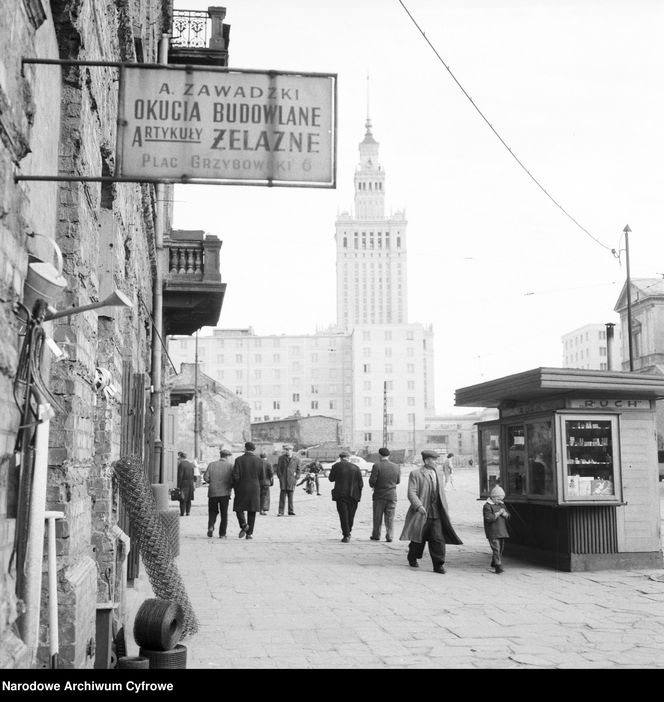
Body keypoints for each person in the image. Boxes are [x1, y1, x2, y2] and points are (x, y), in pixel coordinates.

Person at [399, 450, 463, 573]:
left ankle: (438, 565)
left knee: (437, 538)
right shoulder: (415, 474)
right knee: (418, 538)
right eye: (434, 459)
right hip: (421, 512)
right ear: (427, 460)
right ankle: (412, 557)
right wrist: (418, 506)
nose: (436, 462)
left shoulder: (438, 473)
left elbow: (441, 493)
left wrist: (445, 508)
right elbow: (411, 493)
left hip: (437, 512)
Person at [232, 441, 264, 540]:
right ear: (253, 449)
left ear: (245, 448)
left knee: (238, 508)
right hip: (255, 488)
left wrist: (236, 487)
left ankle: (243, 524)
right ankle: (249, 534)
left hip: (242, 487)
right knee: (252, 510)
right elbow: (262, 477)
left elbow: (235, 476)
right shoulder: (259, 461)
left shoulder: (239, 460)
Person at [328, 451, 363, 543]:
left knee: (343, 515)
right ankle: (348, 531)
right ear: (348, 457)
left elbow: (331, 479)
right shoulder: (356, 467)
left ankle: (346, 534)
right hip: (353, 495)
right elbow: (361, 483)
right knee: (351, 515)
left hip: (341, 495)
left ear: (340, 458)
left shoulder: (336, 466)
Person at [369, 447, 401, 542]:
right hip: (392, 495)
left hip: (379, 496)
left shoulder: (376, 466)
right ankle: (390, 536)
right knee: (390, 517)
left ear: (379, 455)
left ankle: (376, 535)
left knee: (377, 517)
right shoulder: (396, 466)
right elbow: (398, 481)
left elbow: (372, 481)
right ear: (388, 455)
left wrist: (374, 485)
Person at [203, 448, 234, 538]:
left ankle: (211, 526)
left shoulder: (211, 464)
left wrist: (212, 482)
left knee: (212, 511)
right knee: (224, 513)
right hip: (225, 493)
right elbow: (233, 479)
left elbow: (206, 478)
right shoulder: (230, 466)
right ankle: (222, 533)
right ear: (227, 456)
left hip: (213, 492)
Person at [483, 485, 510, 574]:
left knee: (501, 548)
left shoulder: (501, 504)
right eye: (498, 499)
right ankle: (498, 566)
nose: (500, 501)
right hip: (492, 531)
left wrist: (505, 514)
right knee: (496, 548)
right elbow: (489, 518)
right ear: (493, 497)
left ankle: (494, 562)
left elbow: (508, 515)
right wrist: (498, 513)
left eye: (501, 499)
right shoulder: (487, 506)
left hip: (502, 530)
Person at [276, 444, 301, 516]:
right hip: (283, 480)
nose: (287, 452)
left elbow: (299, 469)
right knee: (282, 496)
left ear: (292, 451)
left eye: (289, 450)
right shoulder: (281, 458)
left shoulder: (296, 459)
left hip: (291, 480)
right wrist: (280, 477)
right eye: (286, 450)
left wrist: (296, 478)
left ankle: (291, 510)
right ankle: (281, 511)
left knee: (291, 496)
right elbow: (278, 469)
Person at [176, 451, 196, 517]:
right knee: (189, 499)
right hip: (190, 483)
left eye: (179, 457)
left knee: (182, 499)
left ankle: (182, 513)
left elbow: (180, 476)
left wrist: (178, 486)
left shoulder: (181, 464)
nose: (178, 459)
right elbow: (193, 475)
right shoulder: (191, 464)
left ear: (181, 457)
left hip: (184, 483)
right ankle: (188, 512)